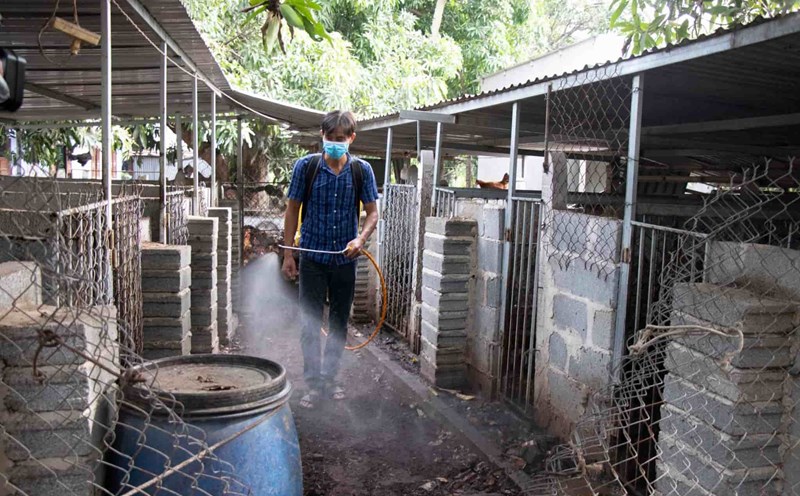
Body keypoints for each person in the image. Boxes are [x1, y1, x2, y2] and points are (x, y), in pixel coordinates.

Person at [282, 110, 379, 409]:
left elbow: (372, 212)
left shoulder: (361, 171)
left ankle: (331, 378)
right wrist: (289, 254)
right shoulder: (306, 167)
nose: (334, 144)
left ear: (351, 139)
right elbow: (292, 210)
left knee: (338, 323)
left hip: (345, 260)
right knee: (310, 324)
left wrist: (360, 240)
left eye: (340, 139)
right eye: (329, 138)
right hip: (311, 257)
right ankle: (313, 384)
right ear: (321, 137)